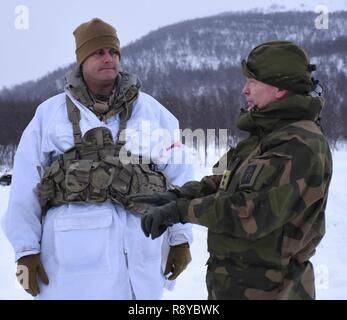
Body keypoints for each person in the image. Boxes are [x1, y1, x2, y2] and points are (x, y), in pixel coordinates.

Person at [2, 18, 193, 299]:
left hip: (141, 262)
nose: (109, 58)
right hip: (70, 266)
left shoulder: (153, 112)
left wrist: (180, 238)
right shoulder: (50, 115)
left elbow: (180, 176)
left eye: (114, 52)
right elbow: (25, 185)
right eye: (99, 52)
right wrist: (26, 250)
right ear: (81, 60)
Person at [129, 40, 333, 300]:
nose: (245, 90)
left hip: (275, 291)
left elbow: (249, 212)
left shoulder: (300, 144)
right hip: (236, 287)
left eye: (253, 82)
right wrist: (178, 195)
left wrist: (180, 211)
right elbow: (226, 181)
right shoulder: (267, 134)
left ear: (280, 89)